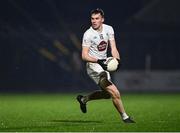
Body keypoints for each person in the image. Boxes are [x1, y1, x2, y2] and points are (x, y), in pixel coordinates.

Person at [76, 8, 135, 123]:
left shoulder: (109, 29)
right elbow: (84, 55)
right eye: (92, 19)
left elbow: (113, 48)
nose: (94, 21)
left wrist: (117, 60)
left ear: (102, 19)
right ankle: (125, 118)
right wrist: (98, 61)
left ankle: (84, 99)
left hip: (104, 64)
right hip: (93, 66)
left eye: (97, 18)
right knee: (114, 91)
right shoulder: (88, 34)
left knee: (107, 94)